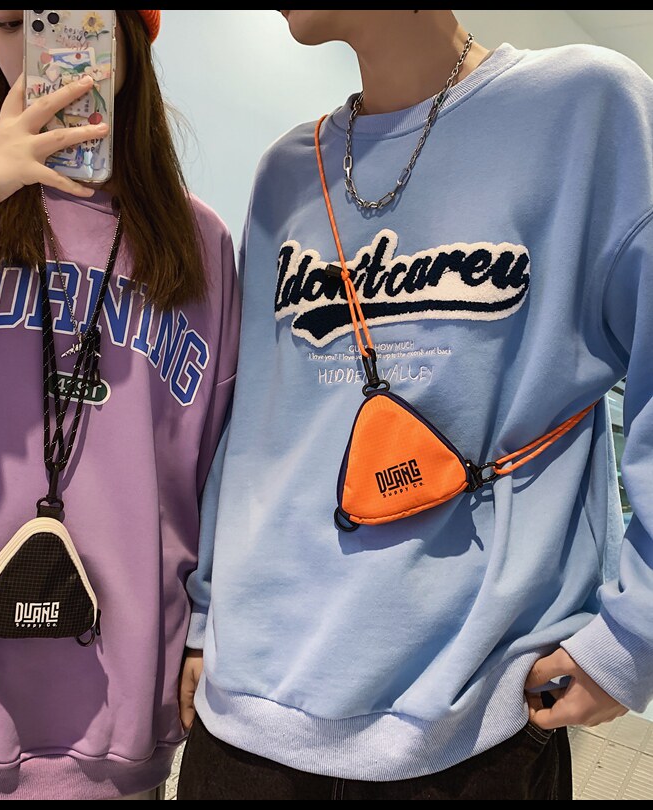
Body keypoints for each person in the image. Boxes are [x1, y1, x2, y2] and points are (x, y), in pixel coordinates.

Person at [177, 9, 653, 801]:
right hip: (244, 717)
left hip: (471, 720)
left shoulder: (588, 109)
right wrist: (204, 617)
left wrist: (635, 634)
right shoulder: (287, 173)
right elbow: (256, 429)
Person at [0, 9, 240, 801]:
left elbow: (220, 473)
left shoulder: (198, 245)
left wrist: (209, 629)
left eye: (74, 16)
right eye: (13, 21)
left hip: (108, 739)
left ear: (130, 31)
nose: (45, 49)